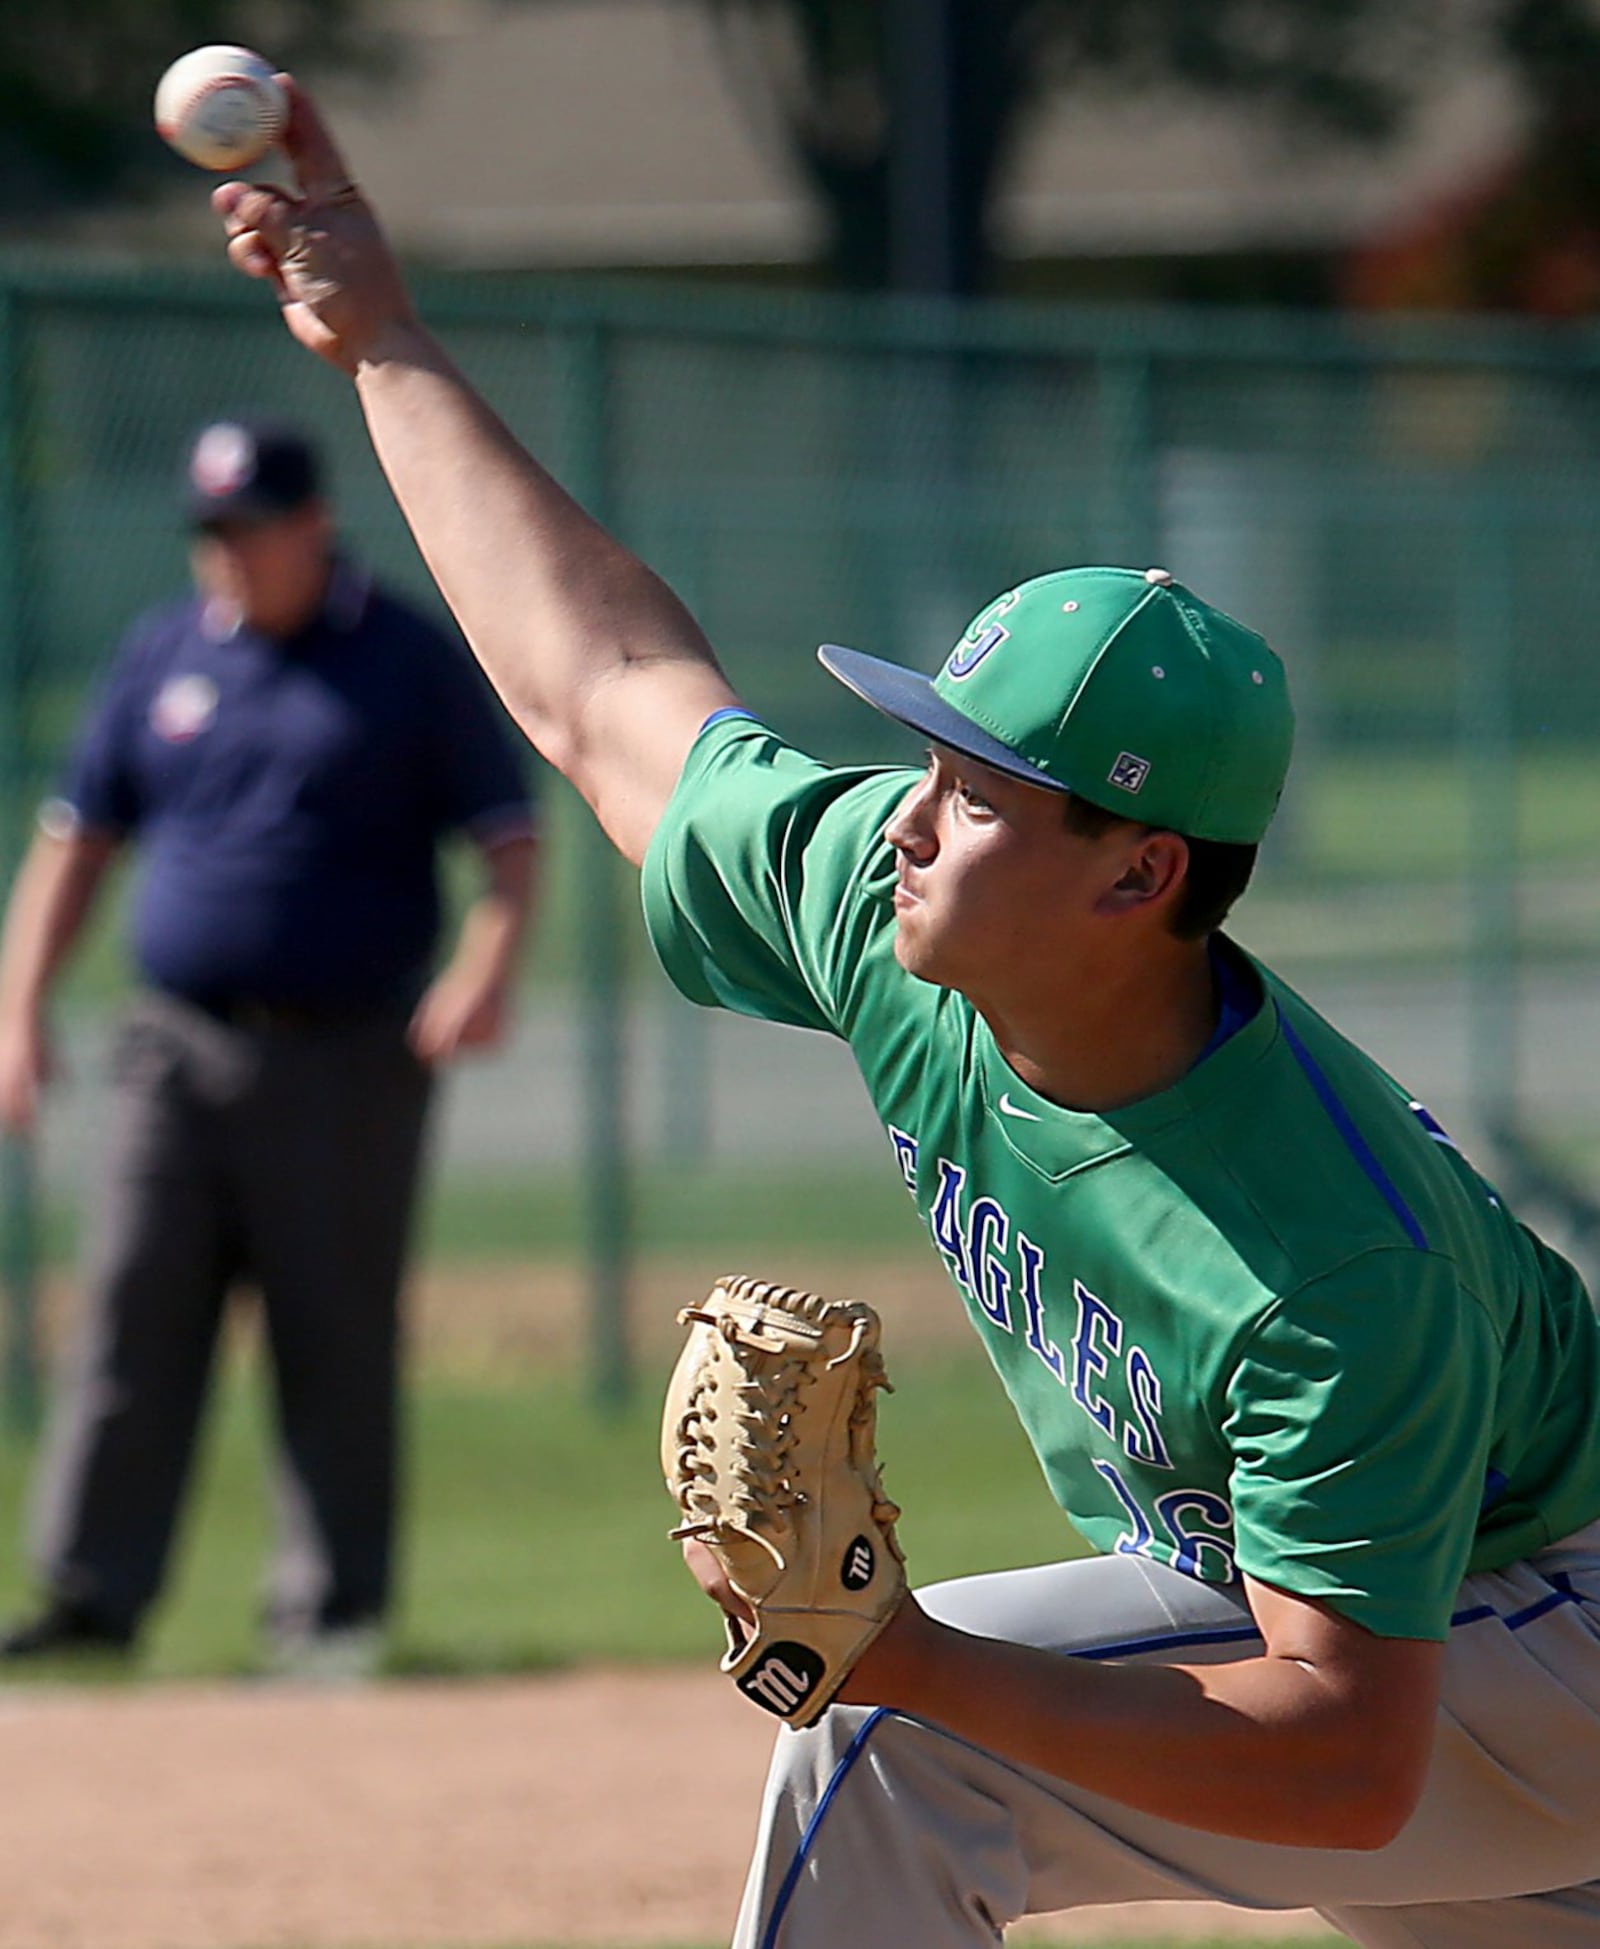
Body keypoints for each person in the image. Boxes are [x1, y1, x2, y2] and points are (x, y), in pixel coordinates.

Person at [209, 84, 1600, 1943]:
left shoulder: (1333, 1258)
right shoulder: (902, 907)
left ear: (1137, 876)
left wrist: (910, 1658)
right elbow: (606, 685)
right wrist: (379, 339)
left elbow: (1346, 1752)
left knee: (895, 1758)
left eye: (981, 788)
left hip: (1535, 1627)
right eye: (925, 753)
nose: (912, 815)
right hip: (1404, 1635)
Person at [0, 416, 539, 1676]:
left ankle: (328, 1615)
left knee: (333, 1334)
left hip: (348, 1054)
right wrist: (19, 1003)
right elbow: (78, 842)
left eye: (248, 530)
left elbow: (508, 837)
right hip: (172, 1049)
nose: (225, 556)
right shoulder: (162, 654)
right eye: (209, 532)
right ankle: (90, 1597)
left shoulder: (401, 656)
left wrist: (484, 963)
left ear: (314, 526)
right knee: (132, 1314)